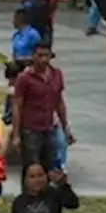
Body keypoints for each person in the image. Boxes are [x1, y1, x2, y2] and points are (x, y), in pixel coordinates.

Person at [12, 43, 72, 174]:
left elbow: (59, 102)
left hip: (50, 127)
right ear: (33, 57)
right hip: (31, 129)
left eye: (47, 55)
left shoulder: (56, 74)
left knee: (51, 166)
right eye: (40, 56)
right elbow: (17, 105)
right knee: (32, 167)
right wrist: (16, 134)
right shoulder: (24, 78)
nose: (43, 59)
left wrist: (65, 127)